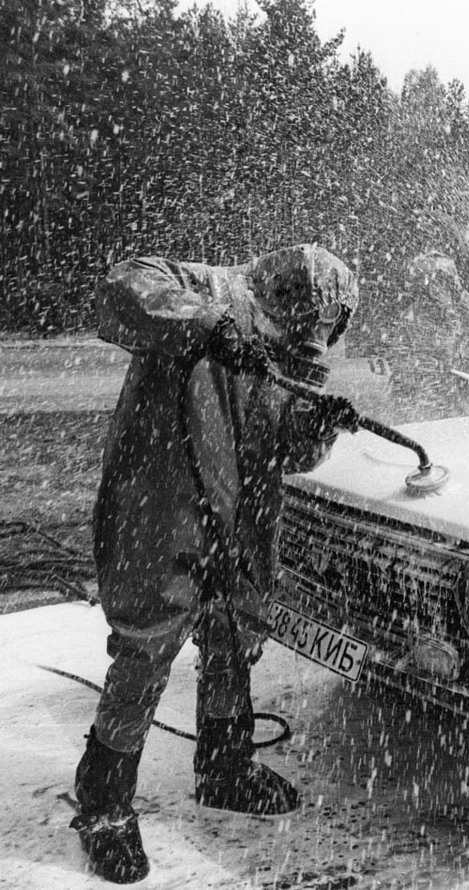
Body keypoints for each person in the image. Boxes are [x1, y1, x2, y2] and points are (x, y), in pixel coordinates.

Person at [70, 244, 359, 884]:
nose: (302, 345)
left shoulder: (292, 351)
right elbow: (120, 287)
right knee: (146, 650)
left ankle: (223, 769)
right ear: (284, 299)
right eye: (300, 329)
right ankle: (105, 805)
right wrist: (206, 329)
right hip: (162, 501)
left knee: (233, 636)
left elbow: (285, 451)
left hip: (240, 516)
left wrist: (318, 424)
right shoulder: (204, 291)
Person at [381, 250, 469, 421]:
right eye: (426, 285)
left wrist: (464, 357)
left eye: (439, 282)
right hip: (430, 413)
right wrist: (420, 368)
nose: (434, 291)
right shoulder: (411, 318)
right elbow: (399, 367)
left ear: (452, 282)